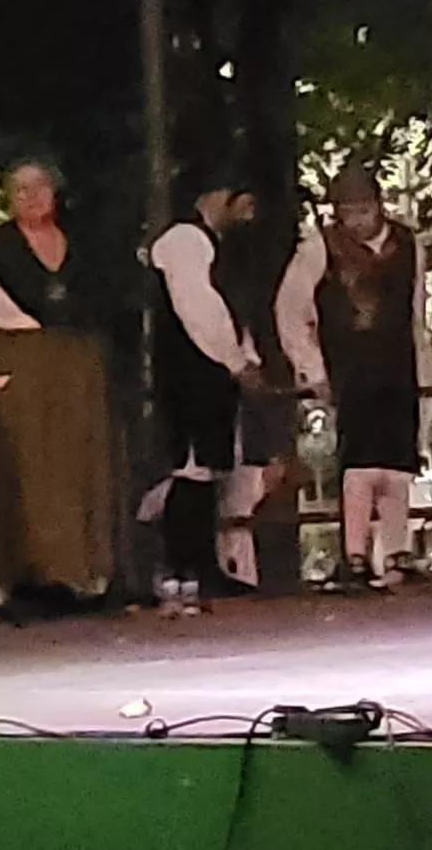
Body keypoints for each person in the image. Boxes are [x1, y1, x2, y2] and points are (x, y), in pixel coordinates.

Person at [0, 159, 116, 611]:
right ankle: (25, 576)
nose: (32, 196)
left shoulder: (82, 247)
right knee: (26, 470)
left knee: (76, 469)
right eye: (21, 190)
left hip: (73, 368)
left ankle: (76, 573)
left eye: (39, 186)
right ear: (8, 198)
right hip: (19, 369)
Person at [275, 164, 431, 591]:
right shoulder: (319, 248)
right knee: (359, 463)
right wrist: (312, 368)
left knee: (399, 463)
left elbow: (415, 309)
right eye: (348, 211)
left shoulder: (408, 244)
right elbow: (290, 309)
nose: (357, 220)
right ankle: (355, 555)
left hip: (397, 363)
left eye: (364, 209)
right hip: (349, 366)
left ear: (378, 206)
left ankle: (397, 553)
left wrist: (422, 362)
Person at [139, 168, 263, 615]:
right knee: (191, 468)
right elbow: (199, 308)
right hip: (191, 369)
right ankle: (182, 568)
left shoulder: (214, 245)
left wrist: (243, 353)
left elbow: (227, 307)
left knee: (207, 469)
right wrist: (234, 359)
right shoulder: (185, 241)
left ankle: (198, 564)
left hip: (210, 367)